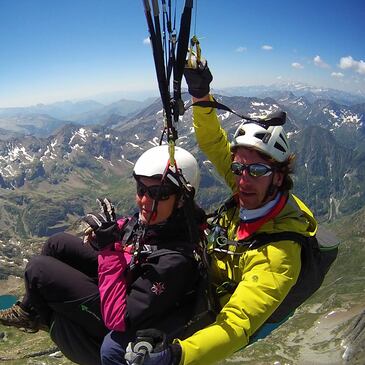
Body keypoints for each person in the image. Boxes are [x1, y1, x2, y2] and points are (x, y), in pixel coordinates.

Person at [124, 61, 318, 365]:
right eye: (238, 168)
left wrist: (177, 355)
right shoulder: (252, 187)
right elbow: (214, 142)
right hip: (200, 278)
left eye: (256, 170)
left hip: (210, 313)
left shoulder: (280, 254)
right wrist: (201, 97)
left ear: (278, 177)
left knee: (116, 347)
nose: (242, 180)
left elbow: (237, 324)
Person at [0, 145, 206, 365]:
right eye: (141, 189)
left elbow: (119, 319)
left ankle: (45, 317)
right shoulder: (166, 220)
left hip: (115, 317)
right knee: (56, 244)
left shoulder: (175, 260)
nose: (145, 201)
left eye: (158, 193)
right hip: (127, 277)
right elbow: (134, 229)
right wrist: (109, 230)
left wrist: (109, 250)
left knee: (38, 269)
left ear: (182, 198)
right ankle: (30, 312)